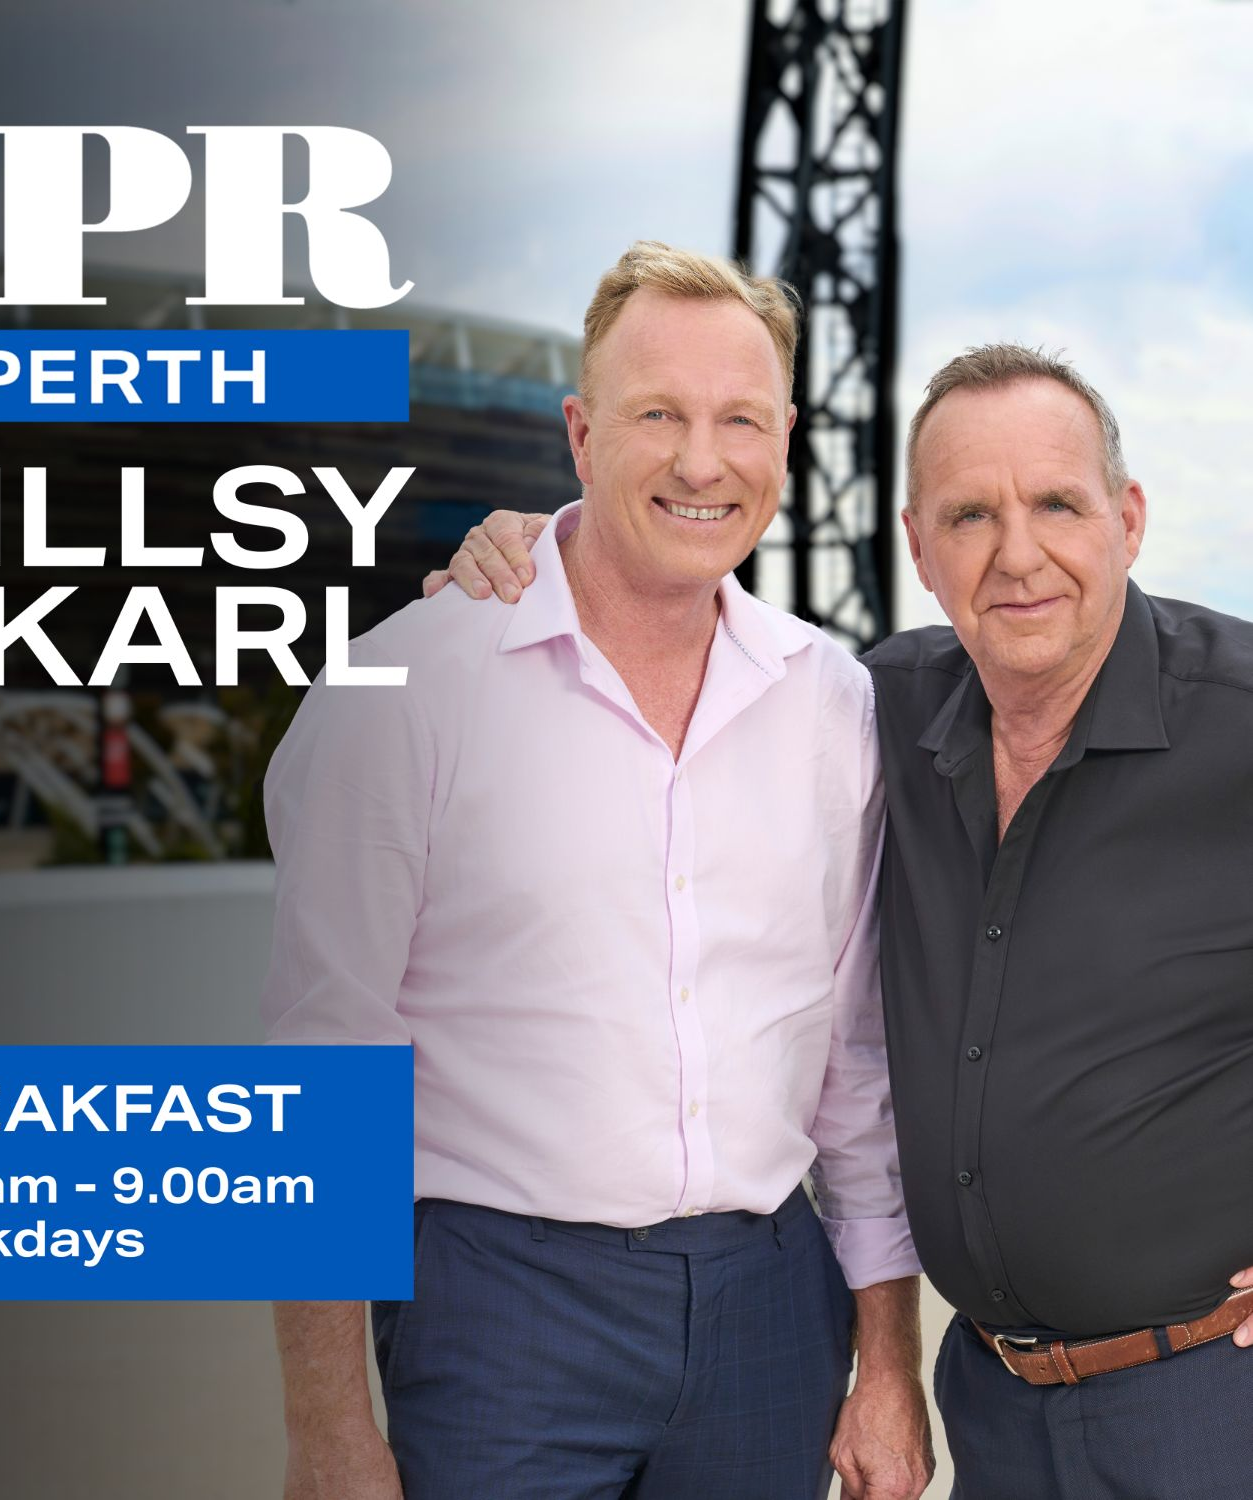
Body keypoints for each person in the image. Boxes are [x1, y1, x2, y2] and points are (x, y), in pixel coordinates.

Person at [432, 341, 1253, 1498]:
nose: (1018, 556)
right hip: (998, 1409)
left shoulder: (1241, 723)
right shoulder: (875, 710)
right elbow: (679, 629)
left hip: (1212, 1399)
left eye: (1057, 505)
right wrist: (539, 557)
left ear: (1127, 516)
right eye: (970, 516)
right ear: (918, 545)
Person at [262, 241, 933, 1500]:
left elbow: (854, 1070)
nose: (700, 461)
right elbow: (321, 1071)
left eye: (741, 419)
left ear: (785, 441)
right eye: (657, 416)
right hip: (496, 1310)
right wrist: (328, 1431)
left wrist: (886, 1357)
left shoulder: (832, 704)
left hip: (772, 1315)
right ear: (580, 434)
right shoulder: (412, 685)